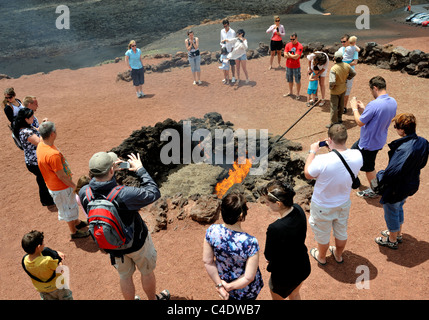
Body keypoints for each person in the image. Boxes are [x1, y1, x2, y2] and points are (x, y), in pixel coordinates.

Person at [79, 151, 169, 301]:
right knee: (146, 272)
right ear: (111, 170)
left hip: (113, 246)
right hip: (137, 243)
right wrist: (140, 169)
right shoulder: (125, 194)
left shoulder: (84, 192)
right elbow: (153, 192)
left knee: (125, 277)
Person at [304, 124, 363, 265]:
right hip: (343, 203)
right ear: (345, 138)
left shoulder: (322, 160)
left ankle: (322, 257)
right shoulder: (357, 155)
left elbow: (308, 174)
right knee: (341, 231)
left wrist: (312, 152)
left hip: (322, 205)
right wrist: (332, 149)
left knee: (322, 233)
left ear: (329, 139)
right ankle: (338, 255)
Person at [374, 113, 428, 249]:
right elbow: (422, 163)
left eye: (396, 127)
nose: (395, 129)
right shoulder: (423, 141)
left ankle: (392, 240)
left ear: (402, 130)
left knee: (391, 209)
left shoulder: (404, 149)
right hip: (412, 182)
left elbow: (391, 173)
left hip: (397, 187)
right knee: (399, 207)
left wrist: (380, 175)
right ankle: (397, 233)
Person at [203, 193, 263, 300]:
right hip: (245, 291)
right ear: (241, 215)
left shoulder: (212, 231)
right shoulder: (250, 242)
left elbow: (208, 262)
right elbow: (249, 277)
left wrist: (220, 286)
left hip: (222, 281)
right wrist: (229, 287)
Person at [36, 121, 89, 239]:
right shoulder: (52, 154)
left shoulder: (41, 144)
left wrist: (44, 124)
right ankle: (74, 232)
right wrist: (75, 187)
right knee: (68, 210)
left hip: (54, 185)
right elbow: (62, 176)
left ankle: (77, 223)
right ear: (52, 134)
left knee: (71, 206)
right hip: (61, 187)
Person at [261, 180, 311, 300]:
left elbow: (268, 255)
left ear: (278, 204)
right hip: (302, 266)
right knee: (295, 294)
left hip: (283, 276)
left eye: (268, 202)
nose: (267, 204)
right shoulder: (298, 209)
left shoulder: (275, 228)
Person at [350, 76, 397, 199]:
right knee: (350, 155)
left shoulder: (374, 104)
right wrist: (365, 109)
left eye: (371, 90)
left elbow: (360, 122)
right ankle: (354, 181)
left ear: (375, 88)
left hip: (368, 143)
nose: (371, 93)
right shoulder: (393, 101)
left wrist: (354, 108)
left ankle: (375, 190)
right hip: (378, 139)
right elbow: (379, 116)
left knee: (369, 168)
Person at [13, 108, 56, 210]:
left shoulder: (27, 127)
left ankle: (47, 199)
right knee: (43, 180)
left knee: (42, 179)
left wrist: (43, 125)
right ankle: (47, 200)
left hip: (35, 160)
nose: (33, 118)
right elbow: (39, 141)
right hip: (34, 162)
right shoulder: (25, 131)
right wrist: (45, 131)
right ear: (26, 119)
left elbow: (37, 130)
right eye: (31, 117)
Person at [21, 230, 73, 300]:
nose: (44, 244)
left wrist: (56, 252)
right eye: (43, 243)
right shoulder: (47, 260)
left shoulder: (25, 260)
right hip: (58, 286)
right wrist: (60, 261)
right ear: (38, 247)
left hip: (42, 289)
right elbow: (60, 270)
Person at [328, 50, 356, 128]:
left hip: (335, 90)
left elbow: (332, 81)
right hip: (343, 88)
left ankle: (333, 122)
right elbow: (353, 73)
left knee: (333, 106)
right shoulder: (347, 65)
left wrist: (331, 88)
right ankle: (340, 119)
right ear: (342, 58)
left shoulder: (333, 68)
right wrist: (348, 78)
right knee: (341, 105)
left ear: (334, 58)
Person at [337, 34, 359, 114]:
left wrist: (345, 65)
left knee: (347, 89)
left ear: (348, 41)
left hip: (349, 73)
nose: (342, 43)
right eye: (341, 42)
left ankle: (344, 107)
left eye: (344, 41)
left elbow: (355, 62)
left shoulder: (354, 50)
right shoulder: (340, 49)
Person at [283, 33, 303, 100]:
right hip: (288, 65)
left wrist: (289, 55)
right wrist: (291, 56)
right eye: (291, 39)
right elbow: (285, 55)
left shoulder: (299, 46)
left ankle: (298, 94)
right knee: (289, 79)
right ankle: (290, 92)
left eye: (293, 39)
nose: (292, 40)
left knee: (297, 80)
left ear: (296, 38)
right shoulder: (288, 45)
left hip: (296, 66)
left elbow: (296, 56)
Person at [220, 19, 237, 83]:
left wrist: (232, 51)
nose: (225, 27)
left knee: (232, 64)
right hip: (224, 50)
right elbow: (221, 40)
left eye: (226, 26)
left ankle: (233, 77)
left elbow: (234, 42)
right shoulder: (222, 31)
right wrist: (221, 47)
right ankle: (226, 78)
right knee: (224, 65)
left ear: (229, 25)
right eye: (224, 26)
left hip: (231, 50)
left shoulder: (232, 32)